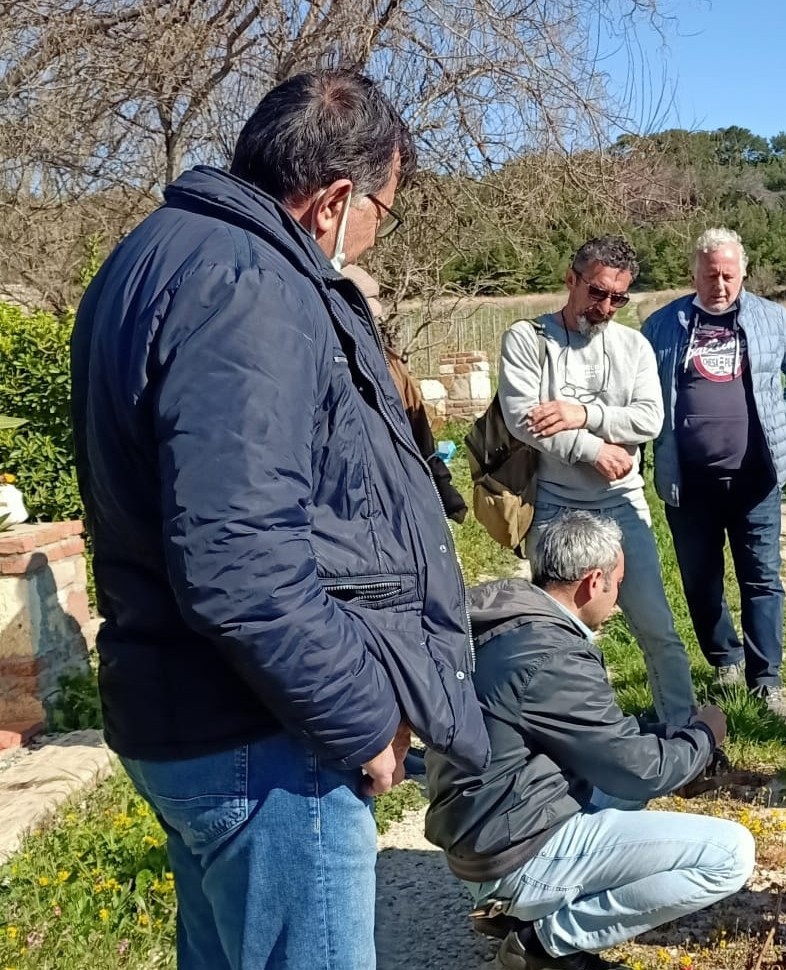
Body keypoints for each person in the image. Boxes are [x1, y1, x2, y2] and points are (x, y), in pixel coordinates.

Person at [70, 70, 490, 970]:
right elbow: (240, 559)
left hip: (193, 715)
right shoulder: (250, 287)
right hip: (263, 741)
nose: (378, 228)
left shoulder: (156, 253)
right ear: (334, 199)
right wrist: (359, 717)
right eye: (385, 206)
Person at [426, 509, 755, 970]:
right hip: (511, 852)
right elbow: (640, 770)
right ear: (592, 581)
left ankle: (518, 911)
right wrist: (704, 734)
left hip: (481, 827)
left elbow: (598, 741)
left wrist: (664, 735)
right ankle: (545, 941)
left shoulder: (508, 617)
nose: (617, 600)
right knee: (730, 854)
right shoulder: (553, 655)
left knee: (620, 794)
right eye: (617, 584)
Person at [498, 236, 696, 729]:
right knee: (554, 631)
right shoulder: (528, 340)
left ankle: (685, 731)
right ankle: (563, 733)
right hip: (557, 506)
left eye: (618, 298)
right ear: (571, 279)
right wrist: (595, 447)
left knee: (656, 626)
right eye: (597, 292)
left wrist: (579, 412)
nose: (605, 306)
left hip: (622, 505)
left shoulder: (633, 346)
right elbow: (524, 419)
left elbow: (650, 419)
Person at [642, 228, 786, 718]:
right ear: (693, 274)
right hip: (689, 482)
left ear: (743, 273)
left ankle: (767, 680)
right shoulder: (663, 325)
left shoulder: (770, 318)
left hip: (756, 477)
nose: (720, 284)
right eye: (711, 274)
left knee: (762, 579)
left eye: (729, 275)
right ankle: (725, 659)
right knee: (699, 579)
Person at [341, 263, 468, 523]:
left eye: (373, 318)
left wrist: (443, 489)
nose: (370, 324)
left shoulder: (392, 365)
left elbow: (421, 435)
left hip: (398, 495)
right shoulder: (323, 365)